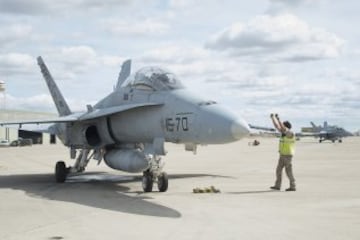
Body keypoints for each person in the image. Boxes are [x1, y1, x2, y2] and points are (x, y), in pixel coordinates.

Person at [270, 113, 296, 191]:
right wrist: (272, 118)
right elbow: (277, 126)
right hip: (282, 155)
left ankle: (293, 186)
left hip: (288, 155)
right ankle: (277, 186)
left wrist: (278, 119)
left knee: (288, 172)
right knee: (278, 170)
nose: (280, 128)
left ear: (286, 127)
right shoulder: (283, 134)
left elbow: (282, 127)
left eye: (283, 126)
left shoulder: (290, 134)